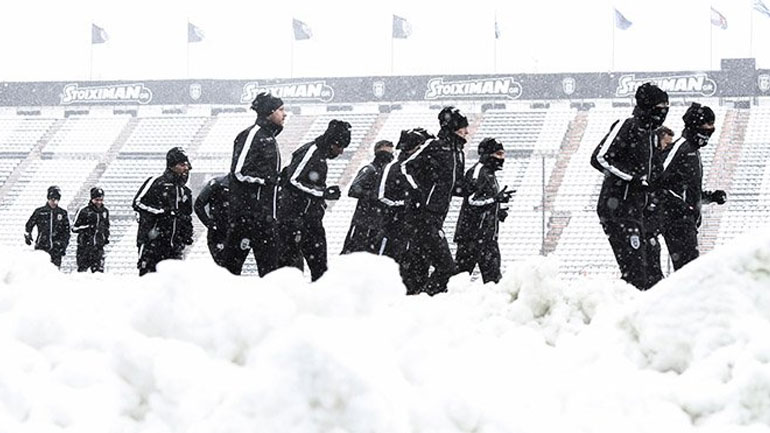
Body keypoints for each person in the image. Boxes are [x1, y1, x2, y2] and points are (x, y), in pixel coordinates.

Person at [591, 82, 669, 291]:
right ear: (648, 106)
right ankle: (625, 313)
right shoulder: (627, 125)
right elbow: (599, 157)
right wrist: (631, 179)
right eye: (660, 107)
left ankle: (644, 312)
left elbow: (653, 175)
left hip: (637, 211)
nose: (664, 112)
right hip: (618, 209)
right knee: (636, 273)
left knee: (651, 273)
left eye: (666, 108)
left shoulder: (652, 135)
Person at [400, 106, 469, 295]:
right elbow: (405, 167)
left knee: (419, 266)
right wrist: (416, 192)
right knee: (447, 268)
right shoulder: (434, 146)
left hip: (438, 216)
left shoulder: (459, 154)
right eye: (463, 127)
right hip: (424, 216)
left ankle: (415, 301)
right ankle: (427, 298)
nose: (467, 131)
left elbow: (454, 185)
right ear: (453, 127)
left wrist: (469, 189)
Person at [655, 102, 727, 270]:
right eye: (706, 126)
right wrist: (681, 207)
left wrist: (710, 197)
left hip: (687, 221)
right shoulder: (680, 147)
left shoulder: (693, 152)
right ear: (695, 125)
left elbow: (688, 191)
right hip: (676, 220)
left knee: (689, 271)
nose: (709, 131)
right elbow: (655, 180)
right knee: (689, 272)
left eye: (712, 128)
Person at [277, 119, 351, 281]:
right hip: (295, 220)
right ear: (332, 142)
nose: (340, 152)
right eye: (340, 147)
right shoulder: (312, 151)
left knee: (320, 269)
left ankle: (318, 300)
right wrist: (323, 193)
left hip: (309, 219)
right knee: (293, 268)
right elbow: (293, 179)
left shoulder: (320, 154)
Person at [225, 92, 286, 276]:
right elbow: (239, 171)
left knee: (271, 273)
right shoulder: (252, 135)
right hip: (247, 217)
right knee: (230, 270)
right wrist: (268, 180)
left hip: (266, 218)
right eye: (281, 109)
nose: (285, 114)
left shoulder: (269, 137)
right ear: (269, 112)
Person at [454, 138, 514, 284]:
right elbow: (472, 200)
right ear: (488, 154)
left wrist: (497, 211)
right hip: (473, 237)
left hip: (486, 236)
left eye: (503, 154)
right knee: (460, 279)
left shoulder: (489, 173)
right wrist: (495, 200)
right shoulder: (478, 172)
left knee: (493, 280)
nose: (502, 158)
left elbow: (482, 201)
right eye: (499, 154)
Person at [133, 147, 194, 276]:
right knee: (149, 279)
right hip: (152, 243)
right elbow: (138, 202)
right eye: (182, 165)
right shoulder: (156, 182)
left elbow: (187, 216)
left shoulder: (185, 191)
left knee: (172, 283)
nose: (186, 168)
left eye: (187, 165)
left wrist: (187, 233)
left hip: (175, 246)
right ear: (172, 166)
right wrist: (161, 213)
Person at [377, 128, 434, 265]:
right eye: (419, 147)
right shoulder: (394, 167)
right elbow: (382, 196)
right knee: (387, 261)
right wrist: (405, 204)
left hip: (411, 226)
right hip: (393, 225)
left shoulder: (419, 168)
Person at [341, 139, 394, 254]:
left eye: (390, 153)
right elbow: (353, 189)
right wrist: (374, 196)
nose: (388, 157)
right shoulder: (370, 169)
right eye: (385, 153)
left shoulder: (387, 173)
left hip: (378, 224)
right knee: (352, 253)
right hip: (363, 222)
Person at [24, 185, 70, 268]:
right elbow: (29, 225)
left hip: (56, 248)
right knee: (41, 270)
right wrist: (28, 235)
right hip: (42, 246)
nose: (54, 202)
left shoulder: (62, 213)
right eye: (52, 199)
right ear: (48, 198)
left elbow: (66, 231)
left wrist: (63, 245)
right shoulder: (40, 212)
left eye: (56, 199)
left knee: (54, 271)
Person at [194, 174, 230, 267]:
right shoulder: (218, 183)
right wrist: (210, 224)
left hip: (239, 232)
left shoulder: (247, 184)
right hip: (220, 233)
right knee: (224, 266)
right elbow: (198, 205)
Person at [71, 187, 110, 272]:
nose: (99, 202)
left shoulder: (105, 212)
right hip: (85, 247)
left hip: (99, 248)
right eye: (97, 200)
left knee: (98, 273)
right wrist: (86, 228)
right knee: (82, 271)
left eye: (101, 200)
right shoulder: (84, 211)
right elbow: (74, 228)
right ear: (92, 199)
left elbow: (106, 227)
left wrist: (105, 238)